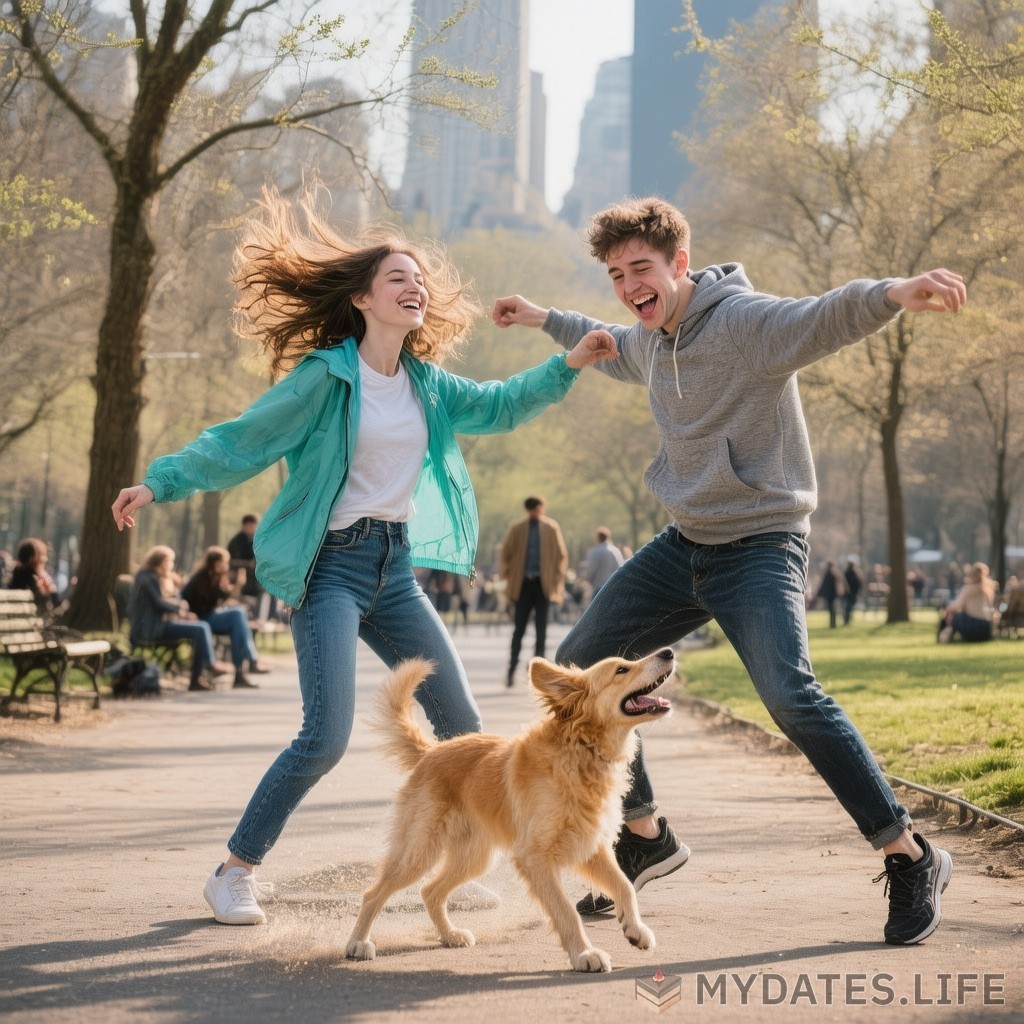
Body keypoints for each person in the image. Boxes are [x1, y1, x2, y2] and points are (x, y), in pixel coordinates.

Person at [111, 188, 616, 927]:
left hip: (395, 566)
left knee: (463, 723)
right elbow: (240, 440)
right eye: (397, 280)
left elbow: (502, 405)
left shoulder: (426, 383)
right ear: (362, 299)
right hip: (331, 569)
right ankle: (233, 870)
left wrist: (568, 361)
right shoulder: (326, 376)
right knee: (325, 735)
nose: (415, 289)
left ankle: (453, 868)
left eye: (419, 280)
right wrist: (160, 480)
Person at [492, 195, 965, 945]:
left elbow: (823, 315)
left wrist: (895, 294)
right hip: (684, 544)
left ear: (680, 264)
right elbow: (609, 339)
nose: (628, 287)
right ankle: (645, 834)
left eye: (640, 270)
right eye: (616, 274)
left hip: (761, 543)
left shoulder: (744, 324)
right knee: (583, 663)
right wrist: (542, 316)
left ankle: (909, 853)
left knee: (790, 694)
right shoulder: (649, 337)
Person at [128, 545, 234, 691]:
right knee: (201, 628)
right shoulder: (147, 577)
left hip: (163, 623)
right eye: (170, 561)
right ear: (162, 561)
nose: (172, 565)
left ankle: (198, 678)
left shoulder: (161, 577)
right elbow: (159, 603)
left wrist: (183, 609)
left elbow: (175, 599)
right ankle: (206, 668)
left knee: (201, 627)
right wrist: (180, 607)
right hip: (150, 629)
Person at [499, 496, 569, 687]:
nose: (535, 513)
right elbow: (505, 553)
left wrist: (555, 578)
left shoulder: (551, 528)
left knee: (541, 631)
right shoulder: (517, 529)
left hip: (542, 586)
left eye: (538, 510)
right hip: (523, 586)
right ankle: (511, 670)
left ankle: (538, 674)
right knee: (519, 629)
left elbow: (562, 556)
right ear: (528, 510)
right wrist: (509, 575)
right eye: (532, 510)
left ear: (542, 509)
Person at [181, 546, 269, 689]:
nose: (227, 566)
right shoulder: (202, 578)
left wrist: (235, 591)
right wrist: (239, 584)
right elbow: (208, 601)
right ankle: (249, 662)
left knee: (237, 624)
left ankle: (240, 674)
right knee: (238, 614)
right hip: (199, 619)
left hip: (208, 617)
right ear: (216, 564)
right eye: (225, 562)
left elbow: (222, 598)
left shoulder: (214, 576)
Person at [938, 562, 999, 643]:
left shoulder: (968, 589)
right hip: (987, 629)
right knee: (955, 614)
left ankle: (943, 638)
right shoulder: (988, 589)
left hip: (974, 628)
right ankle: (946, 637)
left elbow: (957, 606)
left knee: (954, 615)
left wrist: (947, 608)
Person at [8, 538, 62, 617]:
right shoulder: (32, 579)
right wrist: (49, 587)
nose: (46, 559)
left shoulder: (17, 573)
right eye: (43, 555)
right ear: (34, 558)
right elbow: (47, 608)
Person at [227, 514, 263, 605]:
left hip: (255, 577)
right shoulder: (236, 542)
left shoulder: (259, 540)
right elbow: (229, 560)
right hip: (239, 576)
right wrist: (247, 564)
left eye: (252, 525)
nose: (250, 528)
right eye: (248, 526)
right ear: (244, 526)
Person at [585, 527, 625, 602]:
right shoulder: (615, 551)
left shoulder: (595, 551)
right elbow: (620, 568)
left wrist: (589, 580)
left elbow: (592, 570)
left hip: (598, 589)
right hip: (612, 587)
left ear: (598, 538)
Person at [814, 560, 846, 629]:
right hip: (835, 594)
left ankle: (832, 624)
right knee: (833, 609)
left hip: (830, 595)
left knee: (832, 609)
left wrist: (818, 593)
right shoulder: (836, 574)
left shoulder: (829, 574)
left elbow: (823, 585)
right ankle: (833, 624)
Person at [843, 559, 864, 626]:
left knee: (847, 607)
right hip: (853, 593)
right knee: (849, 607)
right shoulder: (856, 573)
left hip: (848, 593)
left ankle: (847, 619)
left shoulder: (848, 573)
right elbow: (859, 584)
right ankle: (848, 619)